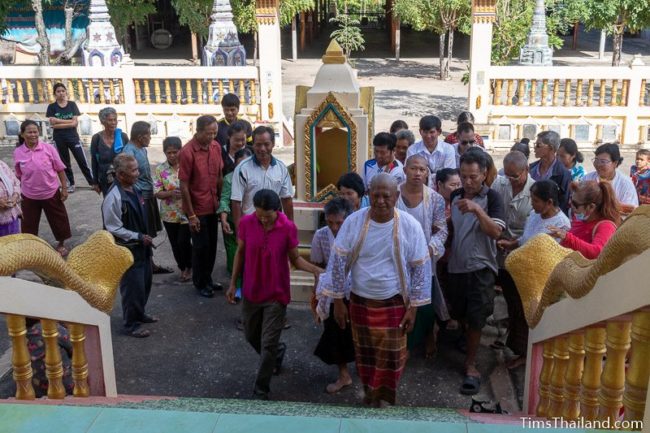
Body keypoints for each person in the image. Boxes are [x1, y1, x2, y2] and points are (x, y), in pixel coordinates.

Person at [321, 173, 432, 407]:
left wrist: (413, 308)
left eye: (386, 196)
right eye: (376, 195)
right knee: (365, 354)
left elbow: (420, 267)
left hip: (394, 302)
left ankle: (382, 395)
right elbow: (338, 260)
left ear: (397, 196)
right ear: (368, 195)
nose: (381, 201)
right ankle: (371, 395)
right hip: (360, 300)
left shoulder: (410, 226)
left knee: (392, 357)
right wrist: (338, 300)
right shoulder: (354, 222)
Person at [226, 189, 323, 400]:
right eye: (260, 215)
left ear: (276, 211)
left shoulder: (287, 227)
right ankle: (277, 353)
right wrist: (233, 283)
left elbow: (295, 259)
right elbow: (240, 253)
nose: (263, 219)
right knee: (251, 336)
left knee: (267, 344)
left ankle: (261, 389)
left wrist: (315, 270)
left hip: (276, 294)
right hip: (251, 291)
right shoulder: (246, 223)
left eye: (267, 216)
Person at [448, 150, 505, 395]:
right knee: (459, 312)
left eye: (473, 177)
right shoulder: (454, 196)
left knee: (477, 317)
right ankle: (465, 341)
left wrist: (477, 210)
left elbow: (496, 233)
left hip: (481, 268)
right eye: (463, 176)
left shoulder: (492, 198)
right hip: (457, 266)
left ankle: (471, 365)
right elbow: (452, 229)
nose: (468, 182)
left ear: (484, 174)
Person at [497, 180, 570, 368]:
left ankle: (528, 355)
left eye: (536, 200)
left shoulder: (561, 224)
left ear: (550, 202)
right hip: (522, 275)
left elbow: (550, 254)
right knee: (517, 312)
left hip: (539, 280)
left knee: (531, 316)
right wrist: (512, 244)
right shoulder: (535, 215)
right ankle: (519, 349)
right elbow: (526, 238)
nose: (533, 204)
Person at [396, 155, 449, 358]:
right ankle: (405, 343)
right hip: (398, 257)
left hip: (424, 258)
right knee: (401, 300)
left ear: (427, 172)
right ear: (405, 170)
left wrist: (429, 249)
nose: (417, 173)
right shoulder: (394, 194)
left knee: (423, 302)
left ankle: (428, 335)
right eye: (413, 169)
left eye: (422, 170)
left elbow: (442, 230)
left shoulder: (434, 198)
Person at [102, 153, 156, 338]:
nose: (137, 173)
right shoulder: (114, 197)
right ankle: (130, 324)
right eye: (133, 170)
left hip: (142, 247)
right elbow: (113, 227)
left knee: (145, 282)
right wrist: (138, 236)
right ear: (120, 174)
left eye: (137, 168)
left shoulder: (135, 188)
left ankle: (139, 313)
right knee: (132, 287)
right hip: (127, 249)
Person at [491, 151, 534, 370]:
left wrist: (514, 242)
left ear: (526, 170)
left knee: (521, 304)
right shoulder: (500, 185)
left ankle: (523, 350)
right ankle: (511, 339)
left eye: (515, 176)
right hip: (500, 251)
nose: (510, 180)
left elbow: (534, 229)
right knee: (509, 300)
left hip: (523, 254)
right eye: (507, 175)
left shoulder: (535, 192)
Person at [311, 197, 356, 394]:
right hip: (332, 291)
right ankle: (344, 374)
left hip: (357, 288)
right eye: (330, 222)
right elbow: (319, 268)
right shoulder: (321, 236)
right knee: (336, 331)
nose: (335, 227)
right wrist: (317, 295)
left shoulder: (357, 234)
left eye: (339, 222)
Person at [179, 115, 224, 298]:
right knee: (200, 248)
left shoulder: (216, 147)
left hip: (213, 205)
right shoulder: (188, 151)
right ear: (197, 131)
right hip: (197, 208)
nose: (212, 136)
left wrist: (221, 201)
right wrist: (191, 215)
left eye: (215, 133)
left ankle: (208, 278)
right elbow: (184, 185)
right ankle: (200, 283)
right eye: (208, 133)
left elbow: (219, 175)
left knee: (212, 246)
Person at [14, 120, 71, 256]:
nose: (33, 135)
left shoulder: (48, 148)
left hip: (50, 192)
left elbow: (60, 169)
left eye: (35, 132)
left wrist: (64, 188)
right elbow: (18, 175)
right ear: (22, 134)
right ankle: (31, 246)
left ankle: (61, 244)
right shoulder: (18, 152)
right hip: (29, 194)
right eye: (29, 132)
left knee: (59, 220)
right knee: (28, 224)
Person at [123, 122, 172, 275]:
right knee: (142, 231)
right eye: (149, 135)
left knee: (148, 230)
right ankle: (145, 264)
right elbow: (128, 178)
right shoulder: (129, 152)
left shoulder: (141, 149)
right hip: (139, 197)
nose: (150, 137)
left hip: (148, 194)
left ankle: (149, 263)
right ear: (140, 137)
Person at [231, 126, 294, 232]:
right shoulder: (242, 169)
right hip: (251, 227)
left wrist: (290, 227)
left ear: (273, 144)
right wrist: (239, 232)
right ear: (253, 145)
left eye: (266, 144)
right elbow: (236, 202)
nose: (262, 149)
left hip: (275, 226)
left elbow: (287, 199)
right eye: (258, 145)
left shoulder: (281, 168)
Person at [548, 180, 620, 259]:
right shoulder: (581, 221)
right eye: (571, 200)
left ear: (591, 207)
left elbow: (597, 252)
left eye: (575, 204)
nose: (571, 205)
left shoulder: (606, 226)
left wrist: (567, 237)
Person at [154, 137, 192, 282]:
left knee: (184, 241)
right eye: (168, 152)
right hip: (169, 214)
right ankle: (182, 267)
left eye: (175, 152)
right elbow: (157, 193)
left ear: (180, 151)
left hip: (187, 211)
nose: (172, 155)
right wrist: (170, 193)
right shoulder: (160, 169)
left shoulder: (187, 165)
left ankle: (189, 265)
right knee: (175, 243)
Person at [219, 147, 253, 303]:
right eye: (239, 164)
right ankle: (238, 286)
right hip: (234, 224)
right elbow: (225, 199)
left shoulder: (257, 177)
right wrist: (224, 219)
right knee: (235, 256)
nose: (243, 168)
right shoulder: (228, 179)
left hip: (254, 223)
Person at [45, 82, 93, 193]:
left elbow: (74, 124)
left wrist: (59, 121)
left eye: (63, 91)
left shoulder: (72, 105)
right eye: (58, 91)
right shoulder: (52, 107)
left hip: (73, 137)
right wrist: (69, 121)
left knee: (82, 160)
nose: (61, 93)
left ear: (66, 92)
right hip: (59, 138)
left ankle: (92, 182)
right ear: (55, 94)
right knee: (64, 162)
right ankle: (70, 183)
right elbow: (53, 125)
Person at [435, 168, 462, 330]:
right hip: (439, 257)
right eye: (453, 184)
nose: (457, 188)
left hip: (457, 256)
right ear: (440, 185)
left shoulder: (461, 202)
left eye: (459, 184)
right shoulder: (433, 202)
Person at [583, 143, 638, 209]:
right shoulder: (587, 179)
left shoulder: (625, 184)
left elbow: (631, 210)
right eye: (596, 160)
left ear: (615, 163)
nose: (598, 164)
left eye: (603, 161)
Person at [529, 131, 571, 214]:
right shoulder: (531, 168)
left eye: (538, 145)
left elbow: (564, 203)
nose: (534, 148)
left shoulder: (563, 173)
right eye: (535, 145)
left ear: (551, 148)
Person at [407, 115, 456, 185]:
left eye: (432, 132)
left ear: (439, 132)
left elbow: (449, 175)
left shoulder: (448, 149)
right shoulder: (412, 150)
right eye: (425, 132)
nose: (428, 136)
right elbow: (409, 174)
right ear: (420, 131)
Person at [90, 107, 128, 196]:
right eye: (110, 120)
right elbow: (94, 161)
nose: (114, 123)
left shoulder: (123, 136)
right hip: (105, 179)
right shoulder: (96, 138)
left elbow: (130, 158)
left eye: (115, 120)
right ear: (103, 122)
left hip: (122, 177)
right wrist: (95, 182)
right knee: (110, 204)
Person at [0, 159, 21, 236]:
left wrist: (15, 196)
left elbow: (16, 182)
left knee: (12, 245)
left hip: (11, 218)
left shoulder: (2, 165)